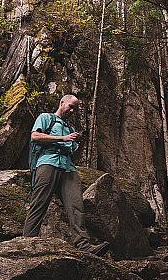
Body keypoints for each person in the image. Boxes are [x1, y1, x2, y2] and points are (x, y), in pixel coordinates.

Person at [22, 94, 109, 255]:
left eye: (75, 109)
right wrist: (63, 137)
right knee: (39, 203)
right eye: (70, 106)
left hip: (68, 168)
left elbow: (73, 155)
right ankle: (27, 242)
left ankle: (83, 245)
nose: (72, 110)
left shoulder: (70, 129)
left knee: (76, 206)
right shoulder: (46, 118)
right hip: (47, 163)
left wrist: (79, 145)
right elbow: (35, 137)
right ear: (62, 103)